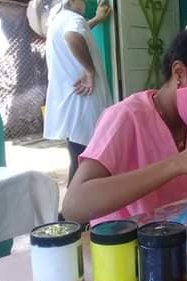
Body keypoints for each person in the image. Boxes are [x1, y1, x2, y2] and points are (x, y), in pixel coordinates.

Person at [62, 7, 187, 225]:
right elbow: (74, 206)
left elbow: (180, 195)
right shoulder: (125, 118)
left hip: (179, 248)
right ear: (179, 72)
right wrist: (178, 163)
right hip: (128, 252)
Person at [43, 0, 113, 186]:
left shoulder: (59, 19)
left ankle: (70, 210)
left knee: (77, 156)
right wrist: (90, 71)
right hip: (84, 100)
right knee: (86, 161)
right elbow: (72, 36)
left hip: (72, 100)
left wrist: (96, 19)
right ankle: (72, 209)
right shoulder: (73, 21)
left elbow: (77, 32)